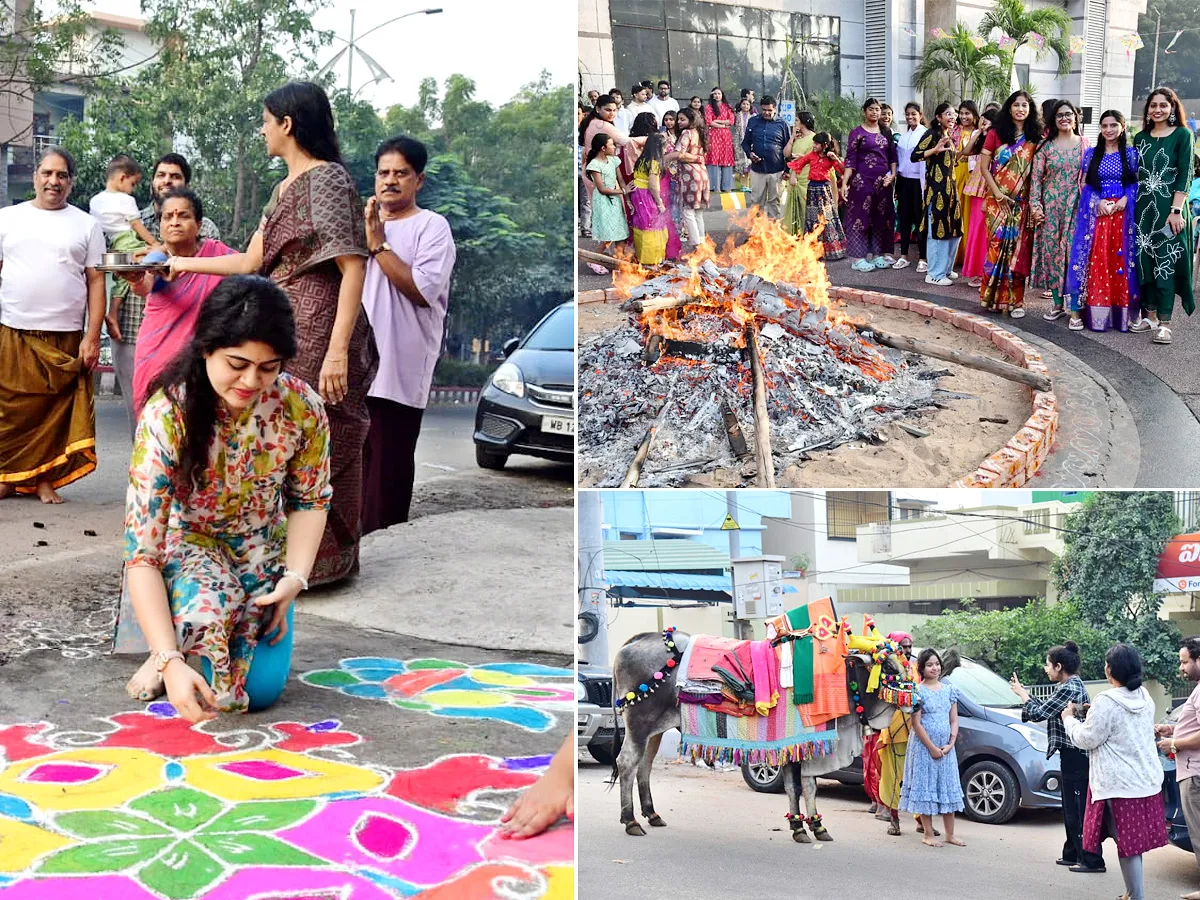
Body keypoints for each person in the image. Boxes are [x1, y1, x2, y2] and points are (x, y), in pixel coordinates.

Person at [169, 81, 376, 586]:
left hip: (321, 328)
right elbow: (252, 261)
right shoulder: (284, 188)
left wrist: (336, 354)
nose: (262, 130)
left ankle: (317, 565)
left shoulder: (327, 180)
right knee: (267, 435)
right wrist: (179, 263)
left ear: (287, 123)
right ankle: (266, 561)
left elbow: (354, 267)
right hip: (281, 322)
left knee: (307, 435)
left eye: (265, 120)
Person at [123, 275, 330, 721]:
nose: (252, 381)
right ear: (205, 348)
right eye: (237, 363)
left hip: (261, 548)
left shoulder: (302, 407)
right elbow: (141, 554)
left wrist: (293, 580)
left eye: (269, 367)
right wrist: (169, 661)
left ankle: (184, 637)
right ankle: (168, 644)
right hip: (190, 547)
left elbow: (311, 499)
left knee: (260, 693)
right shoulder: (167, 415)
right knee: (210, 678)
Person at [360, 136, 455, 534]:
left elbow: (420, 290)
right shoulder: (359, 225)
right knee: (351, 471)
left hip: (400, 370)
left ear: (420, 180)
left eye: (401, 173)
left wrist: (378, 244)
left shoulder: (432, 227)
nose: (390, 181)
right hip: (352, 368)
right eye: (384, 172)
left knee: (388, 470)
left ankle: (387, 545)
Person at [0, 147, 105, 504]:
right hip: (12, 329)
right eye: (47, 173)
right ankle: (7, 478)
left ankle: (45, 480)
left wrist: (92, 337)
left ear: (71, 183)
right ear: (35, 178)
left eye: (61, 175)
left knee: (54, 413)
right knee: (9, 410)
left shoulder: (88, 225)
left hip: (65, 335)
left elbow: (96, 282)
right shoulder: (7, 218)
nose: (53, 181)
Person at [107, 153, 222, 434]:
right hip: (136, 333)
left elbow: (229, 269)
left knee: (194, 424)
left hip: (193, 339)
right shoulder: (132, 218)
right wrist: (135, 272)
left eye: (175, 176)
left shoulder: (210, 237)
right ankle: (147, 473)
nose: (175, 222)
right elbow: (129, 269)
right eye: (161, 175)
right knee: (146, 420)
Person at [1062, 644, 1167, 900]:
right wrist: (1092, 713)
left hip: (1118, 785)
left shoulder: (1107, 701)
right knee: (1131, 844)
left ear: (1110, 670)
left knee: (1126, 845)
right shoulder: (1144, 696)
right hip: (1145, 781)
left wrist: (1069, 719)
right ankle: (1133, 893)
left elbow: (1088, 738)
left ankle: (1136, 895)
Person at [117, 189, 236, 412]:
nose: (174, 222)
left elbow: (248, 267)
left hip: (202, 359)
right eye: (167, 217)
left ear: (199, 224)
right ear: (160, 224)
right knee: (157, 428)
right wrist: (134, 279)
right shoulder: (157, 257)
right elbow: (146, 285)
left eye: (183, 216)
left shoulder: (215, 253)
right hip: (157, 354)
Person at [1010, 641, 1105, 874]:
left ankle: (1091, 859)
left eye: (1048, 665)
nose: (1046, 669)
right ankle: (1072, 853)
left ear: (1059, 666)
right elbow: (1047, 709)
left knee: (1078, 808)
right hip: (1073, 755)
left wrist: (1023, 694)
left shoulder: (1068, 688)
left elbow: (1039, 712)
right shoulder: (1070, 685)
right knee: (1072, 806)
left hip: (1077, 756)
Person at [1062, 110, 1140, 332]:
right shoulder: (1092, 154)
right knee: (1096, 260)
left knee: (1122, 261)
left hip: (1123, 215)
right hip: (1099, 215)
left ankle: (1122, 315)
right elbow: (1087, 184)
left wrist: (1126, 198)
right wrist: (1097, 202)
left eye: (1113, 125)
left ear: (1122, 127)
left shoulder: (1131, 154)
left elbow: (1135, 183)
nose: (1108, 130)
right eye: (1104, 125)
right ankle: (1087, 312)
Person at [1132, 86, 1195, 344]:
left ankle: (1165, 323)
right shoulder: (1140, 138)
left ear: (1172, 108)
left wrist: (1176, 210)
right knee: (1145, 261)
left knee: (1165, 263)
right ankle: (1150, 316)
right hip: (1143, 210)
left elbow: (1185, 173)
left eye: (1163, 105)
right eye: (1153, 105)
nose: (1157, 109)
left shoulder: (1182, 135)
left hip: (1171, 212)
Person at [979, 90, 1043, 318]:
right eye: (1016, 105)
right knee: (996, 248)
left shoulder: (1036, 136)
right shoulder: (996, 133)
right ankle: (992, 298)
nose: (1021, 109)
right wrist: (997, 194)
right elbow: (984, 167)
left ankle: (1016, 301)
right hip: (997, 202)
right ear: (1009, 108)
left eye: (1025, 105)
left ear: (1030, 109)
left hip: (1021, 203)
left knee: (1018, 251)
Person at [899, 648, 966, 847]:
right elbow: (916, 724)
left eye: (936, 664)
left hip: (946, 749)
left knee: (948, 787)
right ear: (922, 668)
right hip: (923, 748)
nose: (934, 668)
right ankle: (928, 833)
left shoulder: (949, 690)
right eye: (929, 665)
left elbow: (954, 720)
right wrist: (931, 748)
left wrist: (950, 743)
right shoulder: (917, 692)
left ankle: (950, 834)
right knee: (925, 787)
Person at [1154, 636, 1200, 900]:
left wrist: (1174, 743)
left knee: (1198, 831)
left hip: (1194, 772)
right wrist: (1171, 729)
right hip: (1189, 770)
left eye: (1185, 662)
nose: (1181, 668)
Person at [1031, 100, 1087, 311]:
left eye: (1068, 114)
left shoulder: (1085, 143)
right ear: (1053, 120)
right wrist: (1036, 207)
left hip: (1076, 207)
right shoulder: (1045, 146)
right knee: (1052, 255)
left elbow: (1090, 177)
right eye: (1059, 115)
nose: (1064, 118)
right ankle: (1056, 305)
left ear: (1075, 117)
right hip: (1051, 208)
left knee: (1074, 253)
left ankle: (1074, 306)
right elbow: (1036, 180)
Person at [844, 97, 899, 271]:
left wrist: (893, 175)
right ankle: (858, 258)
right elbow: (850, 159)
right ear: (865, 111)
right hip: (861, 181)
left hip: (883, 182)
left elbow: (893, 158)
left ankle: (877, 255)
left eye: (877, 110)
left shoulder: (886, 132)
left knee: (880, 218)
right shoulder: (857, 132)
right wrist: (845, 182)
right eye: (871, 109)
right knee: (859, 218)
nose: (875, 113)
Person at [913, 102, 963, 286]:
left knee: (955, 231)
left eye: (954, 114)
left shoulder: (947, 135)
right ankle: (934, 274)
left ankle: (946, 269)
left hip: (951, 190)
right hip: (937, 191)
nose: (952, 117)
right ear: (938, 117)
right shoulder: (932, 134)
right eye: (948, 114)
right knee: (938, 232)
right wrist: (934, 150)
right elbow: (915, 155)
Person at [876, 632, 918, 836]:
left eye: (910, 646)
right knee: (893, 778)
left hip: (917, 734)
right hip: (893, 733)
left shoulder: (917, 670)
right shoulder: (887, 670)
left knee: (918, 778)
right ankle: (893, 820)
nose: (908, 650)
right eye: (903, 646)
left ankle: (922, 821)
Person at [787, 131, 846, 259]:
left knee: (827, 218)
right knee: (812, 219)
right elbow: (800, 163)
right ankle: (813, 251)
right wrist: (793, 174)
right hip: (812, 188)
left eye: (816, 143)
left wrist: (835, 158)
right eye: (814, 143)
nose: (814, 145)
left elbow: (842, 171)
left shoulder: (830, 157)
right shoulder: (812, 155)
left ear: (825, 145)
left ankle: (832, 250)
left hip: (824, 189)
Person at [89, 154, 157, 255]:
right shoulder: (126, 199)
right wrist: (154, 243)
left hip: (108, 244)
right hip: (128, 240)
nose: (133, 189)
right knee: (156, 255)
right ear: (122, 178)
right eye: (133, 184)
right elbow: (136, 224)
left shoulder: (94, 200)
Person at [962, 104, 999, 287]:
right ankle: (977, 271)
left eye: (986, 122)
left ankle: (986, 272)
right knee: (976, 231)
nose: (983, 124)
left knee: (985, 233)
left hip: (989, 188)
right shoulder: (981, 138)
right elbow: (966, 151)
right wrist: (978, 133)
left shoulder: (997, 141)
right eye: (982, 121)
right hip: (977, 188)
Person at [740, 95, 791, 219]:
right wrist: (750, 154)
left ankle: (773, 234)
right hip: (758, 170)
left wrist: (787, 170)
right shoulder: (753, 121)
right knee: (757, 202)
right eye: (764, 110)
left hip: (777, 170)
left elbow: (789, 148)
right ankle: (757, 234)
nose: (766, 113)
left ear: (775, 109)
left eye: (769, 110)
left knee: (774, 202)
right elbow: (745, 143)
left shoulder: (782, 124)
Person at [894, 102, 928, 272]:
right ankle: (904, 255)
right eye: (907, 114)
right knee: (904, 218)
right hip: (904, 181)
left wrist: (924, 186)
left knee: (920, 219)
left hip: (918, 182)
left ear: (920, 115)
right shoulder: (903, 137)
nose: (910, 117)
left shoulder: (925, 135)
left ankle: (923, 257)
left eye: (913, 114)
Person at [628, 131, 671, 265]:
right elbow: (653, 186)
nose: (665, 150)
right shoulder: (654, 163)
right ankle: (652, 259)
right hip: (646, 195)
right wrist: (659, 203)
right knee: (652, 224)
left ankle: (642, 256)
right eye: (664, 147)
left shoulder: (641, 160)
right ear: (658, 148)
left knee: (641, 224)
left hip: (637, 194)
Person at [585, 134, 630, 253]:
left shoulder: (613, 160)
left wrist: (627, 197)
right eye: (612, 145)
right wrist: (623, 191)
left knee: (620, 232)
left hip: (615, 199)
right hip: (603, 201)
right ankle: (594, 260)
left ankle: (620, 261)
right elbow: (602, 189)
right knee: (608, 236)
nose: (614, 147)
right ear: (603, 148)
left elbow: (620, 180)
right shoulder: (594, 165)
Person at [676, 108, 710, 248]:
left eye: (682, 119)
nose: (679, 122)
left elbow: (680, 154)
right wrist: (698, 158)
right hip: (702, 173)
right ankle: (701, 243)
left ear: (691, 120)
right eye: (679, 119)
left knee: (688, 212)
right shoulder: (699, 133)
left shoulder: (687, 133)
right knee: (698, 212)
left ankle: (696, 245)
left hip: (690, 175)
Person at [953, 101, 980, 269]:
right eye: (961, 113)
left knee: (968, 214)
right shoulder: (953, 131)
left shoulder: (980, 133)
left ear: (975, 115)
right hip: (956, 173)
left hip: (973, 176)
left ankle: (967, 256)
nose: (964, 117)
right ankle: (954, 255)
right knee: (956, 212)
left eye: (967, 113)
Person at [782, 110, 816, 235]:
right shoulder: (797, 138)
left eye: (797, 120)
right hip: (794, 176)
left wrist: (796, 171)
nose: (795, 122)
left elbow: (813, 159)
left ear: (803, 122)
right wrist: (792, 138)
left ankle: (807, 236)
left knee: (806, 208)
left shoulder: (814, 139)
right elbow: (786, 154)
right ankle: (794, 236)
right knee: (793, 208)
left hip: (806, 178)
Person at [660, 110, 688, 251]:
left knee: (682, 204)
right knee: (672, 204)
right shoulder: (663, 136)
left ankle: (682, 230)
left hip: (682, 173)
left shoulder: (682, 135)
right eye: (666, 119)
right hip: (668, 174)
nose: (669, 122)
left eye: (672, 119)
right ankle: (673, 232)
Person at [704, 87, 736, 194]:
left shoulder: (728, 107)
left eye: (719, 93)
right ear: (712, 95)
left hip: (726, 137)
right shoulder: (709, 107)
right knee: (714, 157)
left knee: (726, 157)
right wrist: (722, 125)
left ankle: (726, 186)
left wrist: (717, 121)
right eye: (715, 94)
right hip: (713, 135)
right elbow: (709, 122)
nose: (717, 95)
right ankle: (714, 186)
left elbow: (731, 121)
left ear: (722, 95)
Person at [733, 97, 755, 193]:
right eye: (743, 104)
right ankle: (743, 185)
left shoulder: (754, 117)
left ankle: (749, 185)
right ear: (740, 105)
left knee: (749, 164)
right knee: (741, 164)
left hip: (751, 143)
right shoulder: (737, 115)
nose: (745, 106)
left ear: (750, 106)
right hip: (739, 142)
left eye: (747, 104)